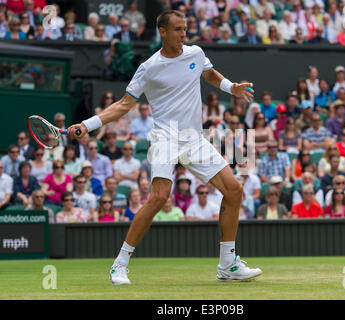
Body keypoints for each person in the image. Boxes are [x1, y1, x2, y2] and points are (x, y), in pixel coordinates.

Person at [68, 10, 261, 284]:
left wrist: (232, 88)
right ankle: (119, 264)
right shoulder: (149, 67)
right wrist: (88, 125)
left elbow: (209, 75)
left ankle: (228, 265)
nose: (183, 35)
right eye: (178, 30)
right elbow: (123, 105)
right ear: (163, 31)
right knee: (159, 197)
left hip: (195, 138)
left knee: (234, 189)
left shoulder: (195, 53)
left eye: (185, 29)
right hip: (165, 138)